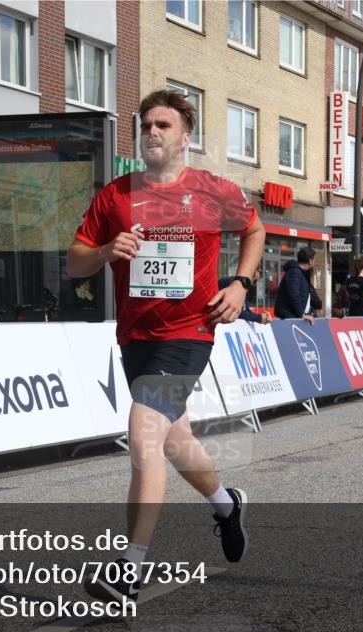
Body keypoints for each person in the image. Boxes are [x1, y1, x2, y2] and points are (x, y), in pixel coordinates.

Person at [67, 89, 264, 603]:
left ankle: (128, 569)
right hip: (136, 337)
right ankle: (226, 505)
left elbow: (255, 229)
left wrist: (241, 284)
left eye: (163, 125)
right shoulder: (115, 196)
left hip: (191, 331)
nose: (152, 133)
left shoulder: (213, 190)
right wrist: (108, 249)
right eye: (146, 125)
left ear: (185, 136)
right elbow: (75, 261)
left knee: (144, 432)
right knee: (176, 442)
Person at [274, 246, 317, 324]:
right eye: (314, 259)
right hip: (289, 317)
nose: (314, 262)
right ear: (310, 261)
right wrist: (301, 314)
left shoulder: (302, 273)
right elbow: (294, 294)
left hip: (295, 315)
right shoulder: (295, 272)